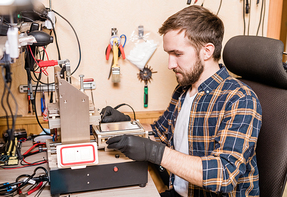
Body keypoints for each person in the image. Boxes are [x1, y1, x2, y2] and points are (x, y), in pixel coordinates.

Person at [102, 5, 262, 197]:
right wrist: (125, 124)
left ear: (207, 51)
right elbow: (159, 135)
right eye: (168, 54)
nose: (170, 64)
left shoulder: (240, 99)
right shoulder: (183, 89)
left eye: (177, 54)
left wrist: (156, 153)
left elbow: (224, 175)